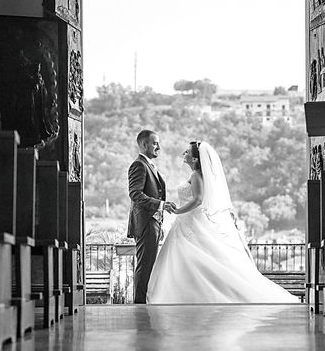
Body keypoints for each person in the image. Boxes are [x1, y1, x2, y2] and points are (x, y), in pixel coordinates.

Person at [146, 141, 298, 304]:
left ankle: (187, 297)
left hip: (190, 220)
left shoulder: (196, 175)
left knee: (188, 259)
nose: (184, 153)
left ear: (196, 159)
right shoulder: (197, 175)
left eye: (188, 152)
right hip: (190, 221)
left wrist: (178, 211)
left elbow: (197, 200)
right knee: (191, 260)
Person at [127, 130, 176, 304]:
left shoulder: (149, 165)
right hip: (145, 224)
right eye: (155, 143)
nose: (159, 147)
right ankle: (139, 305)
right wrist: (161, 205)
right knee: (144, 266)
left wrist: (159, 220)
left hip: (153, 222)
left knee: (149, 265)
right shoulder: (139, 165)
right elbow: (135, 194)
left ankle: (143, 302)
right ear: (144, 144)